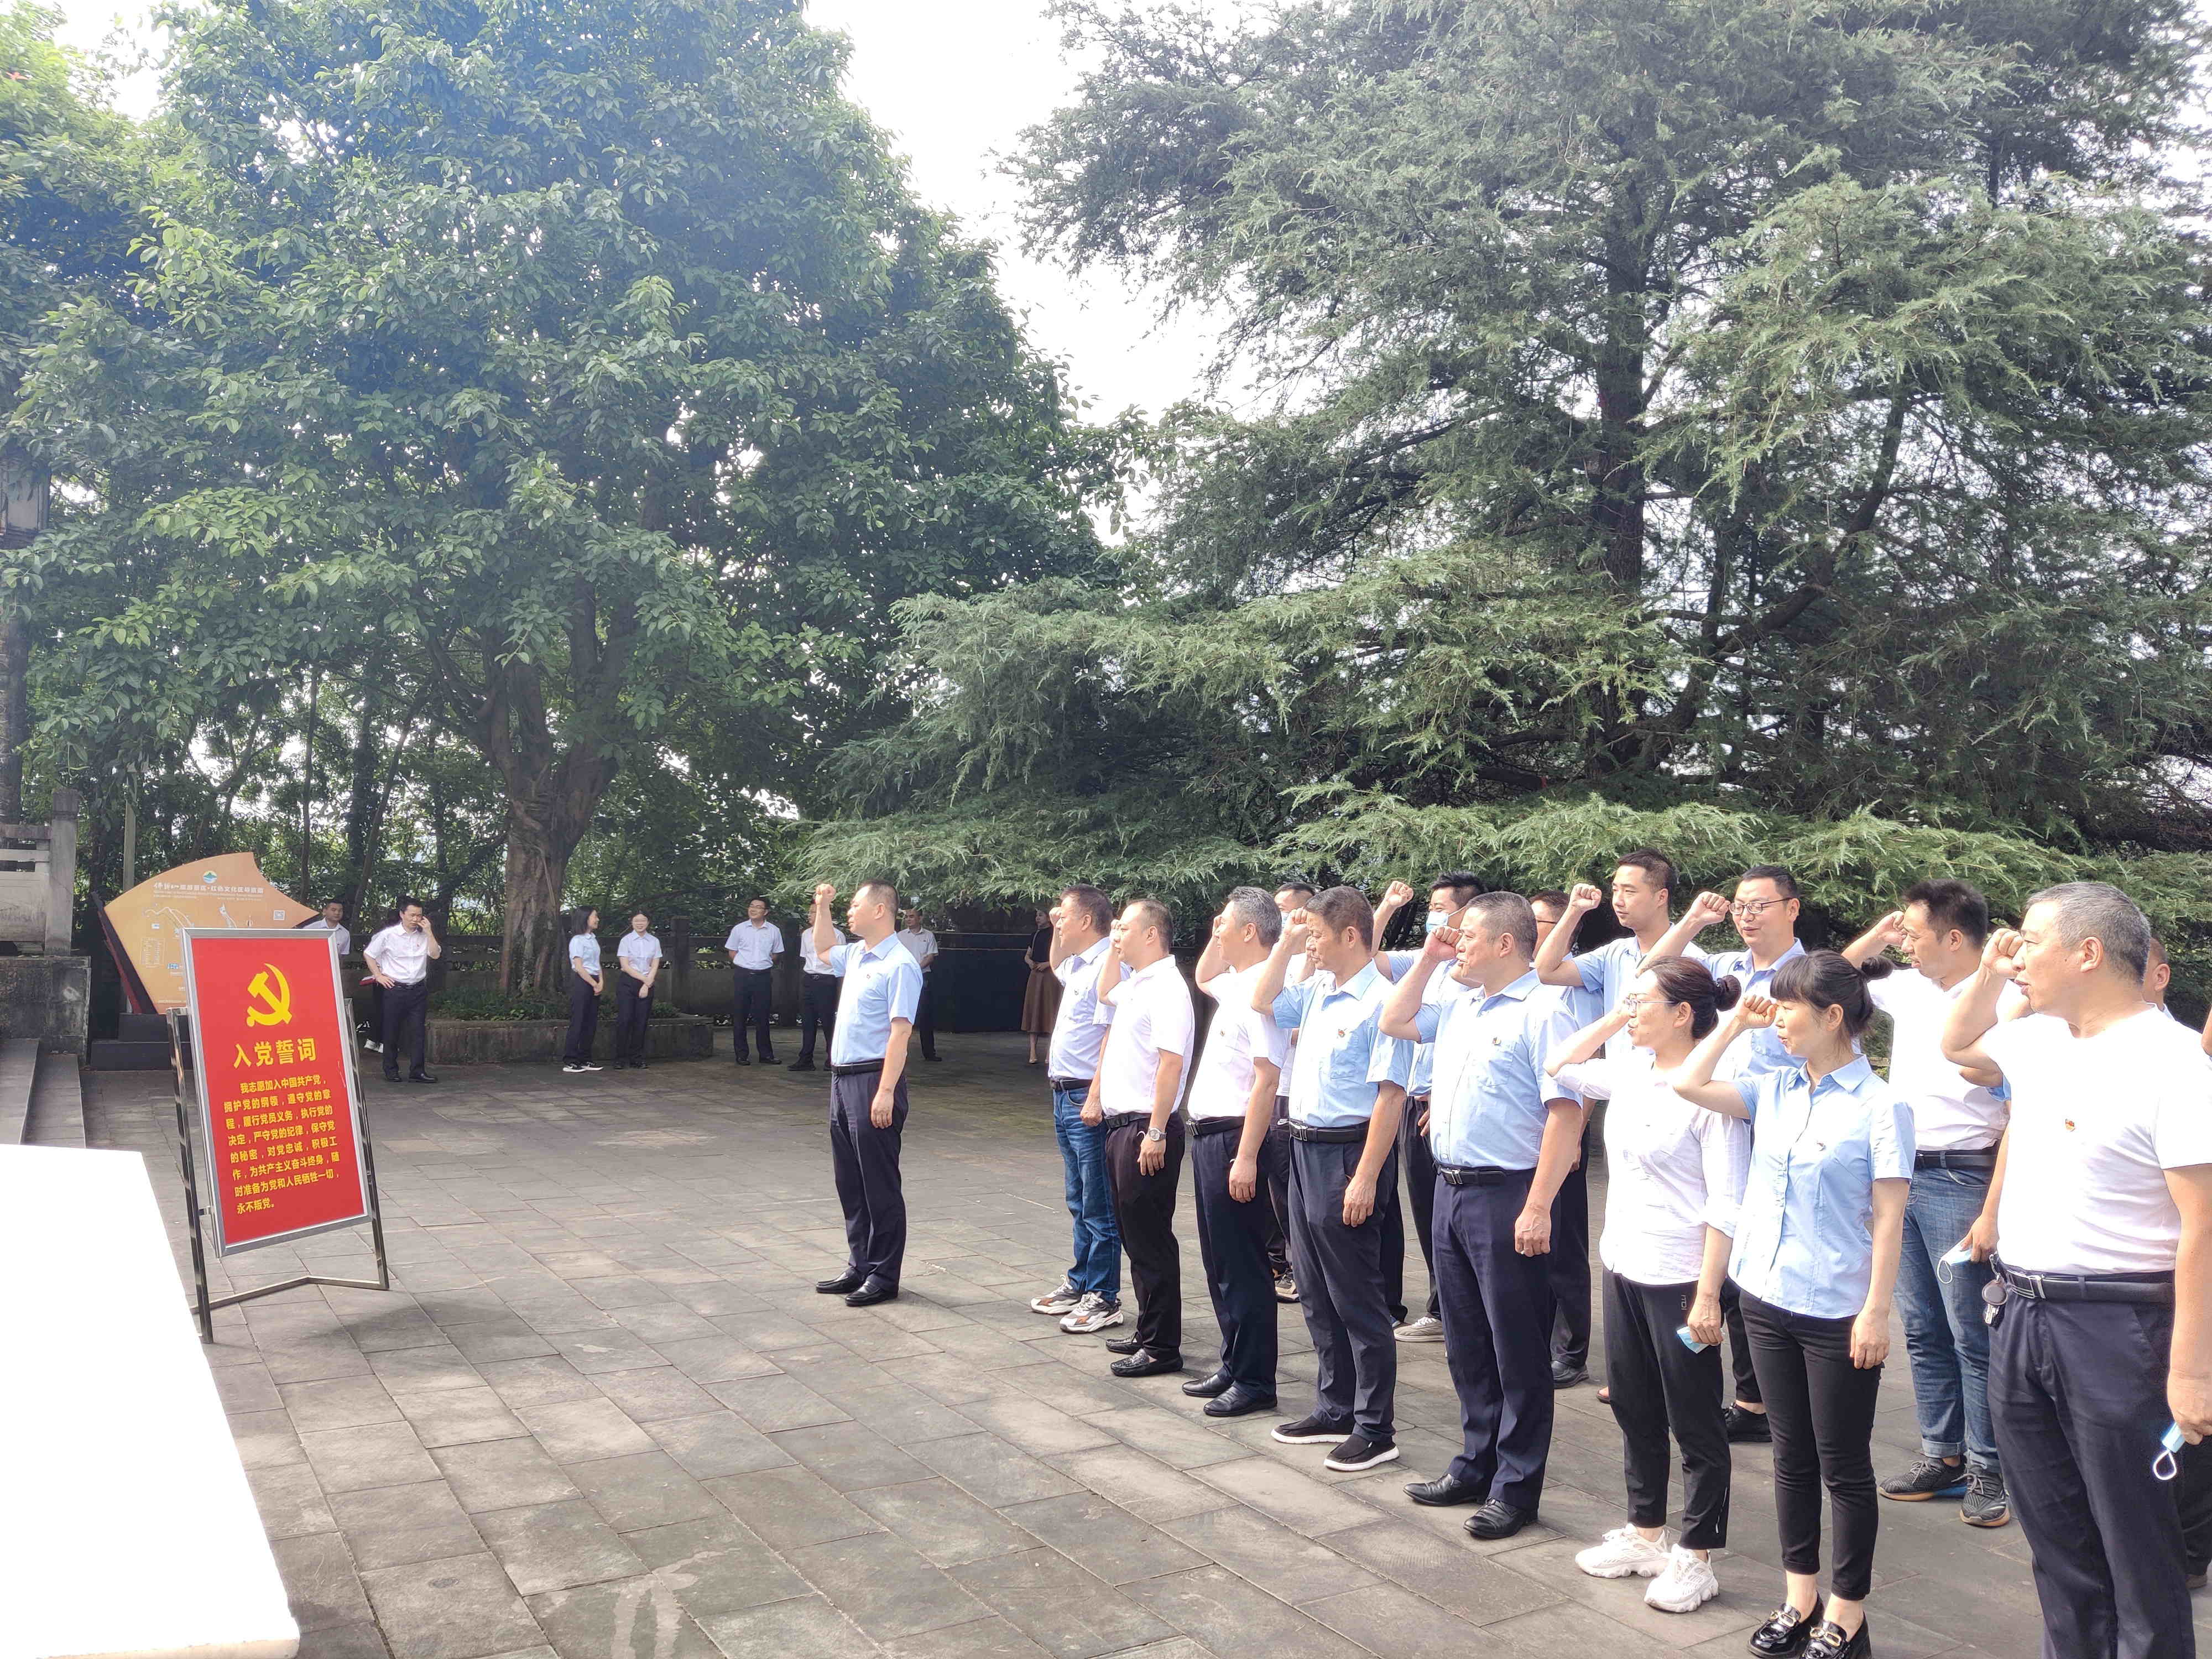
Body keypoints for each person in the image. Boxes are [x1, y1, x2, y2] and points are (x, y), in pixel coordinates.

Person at [1941, 883, 2212, 1659]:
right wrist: (1990, 973)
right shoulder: (2037, 1040)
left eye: (2031, 940)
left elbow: (2204, 1226)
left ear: (2088, 952)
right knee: (2057, 1542)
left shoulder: (2176, 1065)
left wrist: (2192, 1372)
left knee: (2137, 1549)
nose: (2018, 952)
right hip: (2022, 1313)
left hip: (2120, 1327)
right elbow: (1958, 1046)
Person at [1673, 951, 1913, 1659]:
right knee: (1790, 1459)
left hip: (1837, 1309)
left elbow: (1890, 1219)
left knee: (1843, 1467)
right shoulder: (1773, 1088)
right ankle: (1798, 1597)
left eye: (1788, 1008)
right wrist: (1731, 1026)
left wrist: (1876, 1312)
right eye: (1773, 1006)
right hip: (1766, 1297)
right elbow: (1688, 1082)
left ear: (1832, 1016)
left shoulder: (1881, 1106)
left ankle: (1847, 1613)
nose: (1776, 1019)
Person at [1547, 958, 1751, 1614]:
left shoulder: (1711, 1094)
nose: (1630, 1012)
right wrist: (1619, 1013)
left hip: (1682, 1278)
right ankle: (1645, 1534)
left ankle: (1698, 1555)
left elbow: (1727, 1203)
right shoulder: (1632, 1070)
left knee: (1694, 1420)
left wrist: (1709, 1295)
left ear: (1683, 1015)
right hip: (1623, 1263)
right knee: (1634, 1406)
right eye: (1628, 1002)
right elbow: (1559, 1063)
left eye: (1643, 1004)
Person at [1379, 891, 1584, 1540]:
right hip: (1451, 1187)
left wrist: (1538, 1206)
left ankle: (1515, 1487)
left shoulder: (1544, 1012)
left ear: (1504, 943)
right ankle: (1475, 1463)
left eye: (1466, 934)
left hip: (1509, 1193)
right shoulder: (1460, 1003)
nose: (1455, 941)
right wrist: (1429, 958)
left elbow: (1566, 1115)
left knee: (1516, 1347)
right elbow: (1393, 1019)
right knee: (1466, 1341)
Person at [1839, 881, 2011, 1527]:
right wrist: (1880, 935)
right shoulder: (1908, 986)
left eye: (1915, 935)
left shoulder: (2010, 998)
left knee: (1972, 1332)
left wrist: (1993, 1210)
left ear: (1955, 938)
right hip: (1900, 1174)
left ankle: (1989, 1468)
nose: (1906, 945)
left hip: (1963, 1176)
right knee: (1920, 1328)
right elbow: (1833, 979)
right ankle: (1942, 1455)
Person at [1254, 885, 1411, 1473]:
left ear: (1350, 935)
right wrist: (1290, 939)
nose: (1310, 947)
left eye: (1317, 936)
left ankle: (1375, 1427)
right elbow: (1264, 999)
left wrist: (1366, 1177)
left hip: (1348, 1153)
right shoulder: (1320, 988)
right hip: (1302, 1149)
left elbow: (1390, 1097)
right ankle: (1335, 1406)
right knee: (1316, 1291)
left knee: (1357, 1297)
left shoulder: (1383, 1003)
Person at [1676, 863, 1812, 1445]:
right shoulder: (1724, 968)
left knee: (1766, 1263)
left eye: (1760, 905)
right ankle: (1750, 1397)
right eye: (1739, 907)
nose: (1747, 916)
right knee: (1725, 1256)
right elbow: (1653, 971)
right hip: (1715, 1123)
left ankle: (1771, 1400)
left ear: (1792, 908)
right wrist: (1692, 921)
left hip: (1771, 1135)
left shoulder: (1808, 977)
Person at [1185, 887, 1290, 1416]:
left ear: (1250, 931)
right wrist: (1218, 933)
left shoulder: (1263, 991)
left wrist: (1246, 1158)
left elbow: (1267, 1080)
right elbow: (1205, 974)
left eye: (1224, 923)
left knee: (1243, 1264)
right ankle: (1233, 1361)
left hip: (1235, 1137)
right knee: (1219, 1260)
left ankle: (1254, 1380)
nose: (1216, 929)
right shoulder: (1236, 983)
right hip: (1210, 1136)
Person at [1374, 872, 1485, 1345]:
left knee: (1457, 1215)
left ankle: (1463, 1311)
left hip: (1444, 1105)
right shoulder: (1429, 963)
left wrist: (1447, 1091)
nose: (1432, 916)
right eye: (1431, 908)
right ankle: (1445, 1309)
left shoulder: (1475, 975)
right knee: (1427, 1211)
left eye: (1442, 909)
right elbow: (1366, 957)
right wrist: (1387, 908)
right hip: (1412, 1102)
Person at [1084, 899, 1194, 1378]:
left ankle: (1162, 1347)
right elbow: (1104, 990)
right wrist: (1114, 946)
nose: (1116, 934)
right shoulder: (1137, 984)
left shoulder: (1167, 987)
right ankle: (1149, 1329)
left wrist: (1156, 1130)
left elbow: (1171, 1063)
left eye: (1125, 928)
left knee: (1151, 1240)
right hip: (1122, 1127)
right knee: (1134, 1236)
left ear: (1152, 935)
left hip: (1146, 1128)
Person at [808, 880, 922, 1308]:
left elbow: (901, 1032)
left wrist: (886, 1091)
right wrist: (823, 905)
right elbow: (823, 948)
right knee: (850, 1181)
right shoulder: (857, 954)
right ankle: (859, 1264)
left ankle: (884, 1275)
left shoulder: (900, 964)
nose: (849, 912)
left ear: (879, 910)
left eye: (855, 905)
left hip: (874, 1079)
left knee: (879, 1184)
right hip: (842, 1080)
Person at [1029, 885, 1123, 1336]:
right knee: (1077, 1197)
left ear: (1087, 921)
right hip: (1063, 1094)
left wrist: (1097, 1096)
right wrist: (1054, 928)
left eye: (1065, 915)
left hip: (1086, 1096)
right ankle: (1081, 1280)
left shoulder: (1110, 965)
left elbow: (1111, 1036)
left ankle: (1104, 1295)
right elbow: (1058, 964)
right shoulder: (1081, 964)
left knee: (1098, 1202)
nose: (1058, 919)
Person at [1531, 888, 1605, 1390]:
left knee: (1565, 1246)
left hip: (1564, 1126)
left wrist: (1576, 1133)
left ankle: (1571, 1351)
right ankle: (1537, 1337)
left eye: (1538, 921)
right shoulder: (1522, 978)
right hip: (1526, 1133)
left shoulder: (1580, 983)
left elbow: (1590, 1067)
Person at [1263, 879, 1318, 1303]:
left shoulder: (1317, 963)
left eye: (1287, 909)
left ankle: (1303, 1268)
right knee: (1276, 1187)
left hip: (1298, 1091)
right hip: (1273, 1089)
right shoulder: (1277, 960)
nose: (1281, 916)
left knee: (1292, 1188)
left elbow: (1293, 1026)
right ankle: (1284, 1263)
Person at [364, 898, 441, 1084]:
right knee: (391, 1030)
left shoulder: (424, 936)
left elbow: (435, 954)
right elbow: (369, 954)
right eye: (412, 915)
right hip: (395, 989)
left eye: (419, 915)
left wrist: (429, 932)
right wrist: (378, 975)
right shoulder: (388, 935)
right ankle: (391, 1070)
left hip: (418, 989)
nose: (415, 919)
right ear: (402, 914)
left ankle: (418, 1071)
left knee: (418, 1032)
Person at [724, 899, 784, 1066]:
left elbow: (776, 954)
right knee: (740, 1015)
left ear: (766, 912)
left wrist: (760, 964)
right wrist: (745, 963)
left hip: (763, 976)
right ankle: (741, 1054)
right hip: (743, 975)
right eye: (751, 906)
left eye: (758, 907)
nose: (754, 909)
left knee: (763, 1016)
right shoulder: (739, 929)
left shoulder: (774, 931)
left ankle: (766, 1055)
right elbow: (732, 952)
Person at [791, 914, 846, 1073]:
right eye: (809, 912)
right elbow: (805, 957)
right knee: (807, 1021)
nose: (810, 915)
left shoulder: (837, 935)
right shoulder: (806, 934)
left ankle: (833, 1058)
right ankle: (806, 1059)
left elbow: (842, 963)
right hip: (809, 978)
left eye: (814, 912)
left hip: (827, 980)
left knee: (828, 1022)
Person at [613, 913, 661, 1071]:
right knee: (625, 1019)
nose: (640, 923)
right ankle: (620, 1058)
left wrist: (647, 984)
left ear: (648, 922)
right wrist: (645, 980)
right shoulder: (626, 940)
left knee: (641, 1021)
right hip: (628, 982)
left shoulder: (654, 941)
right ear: (632, 922)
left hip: (647, 982)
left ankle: (637, 1058)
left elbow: (655, 965)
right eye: (636, 921)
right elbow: (625, 966)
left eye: (643, 920)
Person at [561, 908, 605, 1074]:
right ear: (585, 918)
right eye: (595, 916)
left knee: (591, 1022)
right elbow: (579, 967)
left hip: (594, 980)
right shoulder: (577, 941)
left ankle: (585, 1058)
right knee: (578, 1020)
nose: (597, 919)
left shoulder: (593, 939)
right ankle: (571, 1060)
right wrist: (594, 984)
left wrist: (601, 982)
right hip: (582, 981)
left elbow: (597, 963)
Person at [896, 909, 942, 1062]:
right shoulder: (900, 936)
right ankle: (898, 1052)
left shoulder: (928, 935)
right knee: (901, 1016)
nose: (908, 920)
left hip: (923, 977)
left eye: (912, 917)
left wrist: (916, 969)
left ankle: (929, 1053)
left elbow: (930, 957)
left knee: (925, 1016)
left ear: (920, 918)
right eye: (906, 917)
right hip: (905, 978)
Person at [1021, 909, 1060, 1066]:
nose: (1037, 918)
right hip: (1036, 974)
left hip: (1050, 976)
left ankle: (1049, 1052)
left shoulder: (1055, 934)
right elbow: (1027, 954)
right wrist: (1030, 962)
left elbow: (1062, 955)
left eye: (1041, 915)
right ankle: (1033, 1051)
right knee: (1034, 1010)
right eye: (1036, 915)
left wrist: (1048, 964)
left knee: (1050, 1011)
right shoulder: (1035, 935)